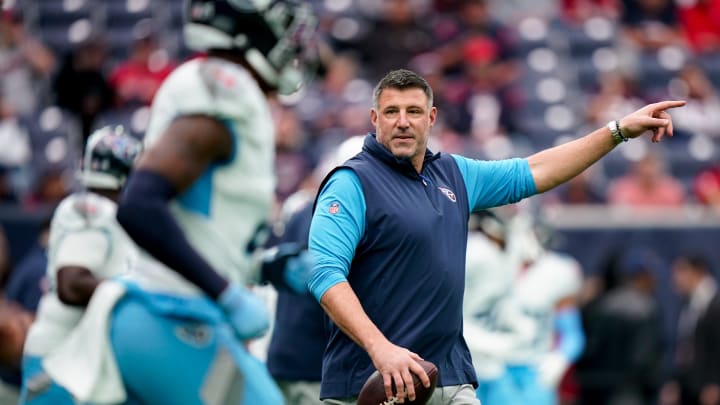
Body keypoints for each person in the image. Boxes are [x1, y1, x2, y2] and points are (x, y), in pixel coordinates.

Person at [306, 68, 685, 404]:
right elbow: (323, 274)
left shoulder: (453, 174)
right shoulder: (351, 183)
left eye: (414, 112)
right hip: (370, 383)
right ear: (374, 119)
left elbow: (537, 170)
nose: (403, 122)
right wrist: (381, 349)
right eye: (392, 112)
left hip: (449, 378)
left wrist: (616, 131)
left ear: (431, 118)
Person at [42, 1, 318, 404]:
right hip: (168, 315)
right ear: (244, 25)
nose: (288, 39)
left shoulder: (227, 91)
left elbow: (198, 229)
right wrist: (225, 291)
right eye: (279, 24)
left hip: (169, 316)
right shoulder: (226, 91)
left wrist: (265, 266)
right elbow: (139, 205)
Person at [17, 126, 142, 405]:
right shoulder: (93, 209)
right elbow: (71, 284)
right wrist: (138, 294)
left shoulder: (118, 219)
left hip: (86, 360)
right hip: (61, 360)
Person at [661, 254, 720, 405]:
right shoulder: (687, 305)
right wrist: (675, 382)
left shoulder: (715, 303)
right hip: (690, 388)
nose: (675, 278)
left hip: (710, 390)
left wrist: (715, 383)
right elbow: (684, 349)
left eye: (681, 271)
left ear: (699, 271)